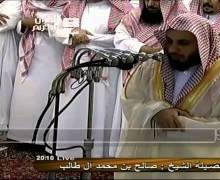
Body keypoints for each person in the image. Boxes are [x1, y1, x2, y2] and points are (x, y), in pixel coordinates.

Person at [115, 13, 220, 179]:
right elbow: (130, 101)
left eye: (183, 43)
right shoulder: (150, 67)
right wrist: (156, 112)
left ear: (202, 44)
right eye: (169, 41)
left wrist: (178, 124)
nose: (172, 49)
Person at [46, 0, 133, 158]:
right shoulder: (74, 5)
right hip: (75, 63)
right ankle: (66, 150)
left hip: (104, 67)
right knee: (71, 105)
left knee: (98, 106)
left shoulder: (122, 9)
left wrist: (90, 38)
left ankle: (95, 154)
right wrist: (72, 34)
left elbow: (123, 38)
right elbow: (58, 30)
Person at [7, 0, 70, 145]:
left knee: (47, 92)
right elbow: (19, 26)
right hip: (29, 57)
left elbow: (68, 29)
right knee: (25, 93)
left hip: (54, 53)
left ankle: (43, 139)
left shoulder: (67, 5)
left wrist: (41, 26)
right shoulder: (29, 3)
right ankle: (20, 136)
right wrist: (24, 23)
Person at [0, 0, 21, 139]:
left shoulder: (14, 1)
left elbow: (9, 22)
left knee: (5, 85)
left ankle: (2, 127)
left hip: (5, 46)